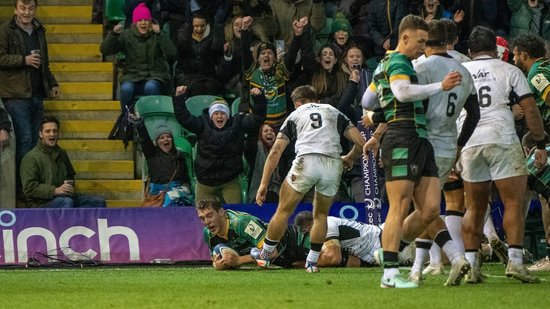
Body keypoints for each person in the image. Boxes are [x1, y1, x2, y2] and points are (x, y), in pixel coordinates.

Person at [361, 14, 464, 288]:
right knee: (400, 206)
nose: (423, 46)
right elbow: (403, 92)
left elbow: (367, 99)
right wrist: (440, 86)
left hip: (420, 138)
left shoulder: (388, 63)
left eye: (425, 42)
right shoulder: (397, 61)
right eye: (419, 41)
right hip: (401, 136)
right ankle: (390, 275)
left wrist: (377, 109)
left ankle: (389, 251)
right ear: (404, 38)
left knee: (430, 209)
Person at [459, 26, 547, 284]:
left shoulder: (460, 72)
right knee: (513, 203)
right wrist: (540, 143)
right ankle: (516, 263)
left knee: (474, 207)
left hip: (469, 143)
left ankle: (473, 267)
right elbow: (530, 109)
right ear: (496, 50)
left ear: (469, 51)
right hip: (501, 138)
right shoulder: (510, 70)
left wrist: (453, 148)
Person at [396, 19, 480, 284]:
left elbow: (407, 96)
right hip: (448, 145)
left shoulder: (422, 66)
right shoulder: (464, 70)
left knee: (425, 209)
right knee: (426, 208)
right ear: (448, 41)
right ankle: (422, 268)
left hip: (425, 142)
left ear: (426, 41)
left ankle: (401, 253)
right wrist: (459, 144)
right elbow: (474, 113)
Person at [253, 85, 366, 273]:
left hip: (307, 161)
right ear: (317, 100)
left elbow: (275, 151)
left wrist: (264, 183)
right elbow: (360, 142)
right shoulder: (333, 111)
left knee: (283, 210)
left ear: (297, 103)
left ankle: (265, 255)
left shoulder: (295, 115)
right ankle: (312, 263)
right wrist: (350, 158)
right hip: (332, 164)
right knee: (320, 215)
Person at [0, 0, 60, 197]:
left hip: (36, 93)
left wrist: (52, 83)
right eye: (23, 8)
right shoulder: (5, 31)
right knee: (25, 141)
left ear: (35, 9)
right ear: (15, 9)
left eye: (30, 8)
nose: (26, 12)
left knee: (35, 142)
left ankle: (32, 186)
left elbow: (45, 63)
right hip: (15, 95)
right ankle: (23, 188)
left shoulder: (39, 31)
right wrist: (23, 60)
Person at [173, 87, 266, 204]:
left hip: (230, 182)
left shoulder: (238, 123)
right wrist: (178, 98)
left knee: (235, 214)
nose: (219, 116)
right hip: (205, 182)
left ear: (228, 116)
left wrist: (258, 99)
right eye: (216, 113)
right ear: (211, 116)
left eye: (223, 113)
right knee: (201, 217)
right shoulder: (202, 124)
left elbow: (257, 119)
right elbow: (183, 118)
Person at [512, 33, 550, 272]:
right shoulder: (545, 67)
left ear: (524, 54)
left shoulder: (536, 74)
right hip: (543, 142)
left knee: (540, 189)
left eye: (515, 54)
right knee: (528, 186)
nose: (514, 58)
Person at [196, 196, 311, 270]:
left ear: (221, 212)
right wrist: (218, 265)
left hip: (294, 241)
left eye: (210, 216)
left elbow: (271, 252)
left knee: (327, 258)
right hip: (283, 261)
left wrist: (239, 260)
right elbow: (214, 259)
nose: (207, 222)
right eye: (202, 218)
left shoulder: (241, 223)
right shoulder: (208, 234)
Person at [100, 3, 176, 114]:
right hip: (133, 77)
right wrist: (113, 35)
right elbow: (105, 50)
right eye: (140, 20)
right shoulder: (127, 35)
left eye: (146, 20)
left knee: (151, 86)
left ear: (150, 21)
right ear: (135, 23)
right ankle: (127, 119)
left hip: (155, 77)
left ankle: (152, 117)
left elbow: (172, 54)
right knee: (126, 89)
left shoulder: (157, 35)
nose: (143, 23)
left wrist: (160, 34)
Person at [20, 116, 107, 208]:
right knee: (66, 202)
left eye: (55, 131)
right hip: (41, 203)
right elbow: (29, 188)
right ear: (40, 134)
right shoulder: (30, 157)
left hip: (64, 197)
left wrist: (69, 188)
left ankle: (81, 222)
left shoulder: (62, 153)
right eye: (48, 131)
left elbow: (70, 176)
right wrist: (55, 190)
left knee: (99, 202)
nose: (52, 134)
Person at [132, 118, 193, 207]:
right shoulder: (152, 154)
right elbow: (144, 139)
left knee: (178, 202)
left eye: (168, 137)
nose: (166, 139)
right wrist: (139, 124)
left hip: (177, 191)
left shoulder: (179, 157)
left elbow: (186, 179)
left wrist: (186, 187)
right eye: (162, 138)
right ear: (157, 142)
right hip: (157, 193)